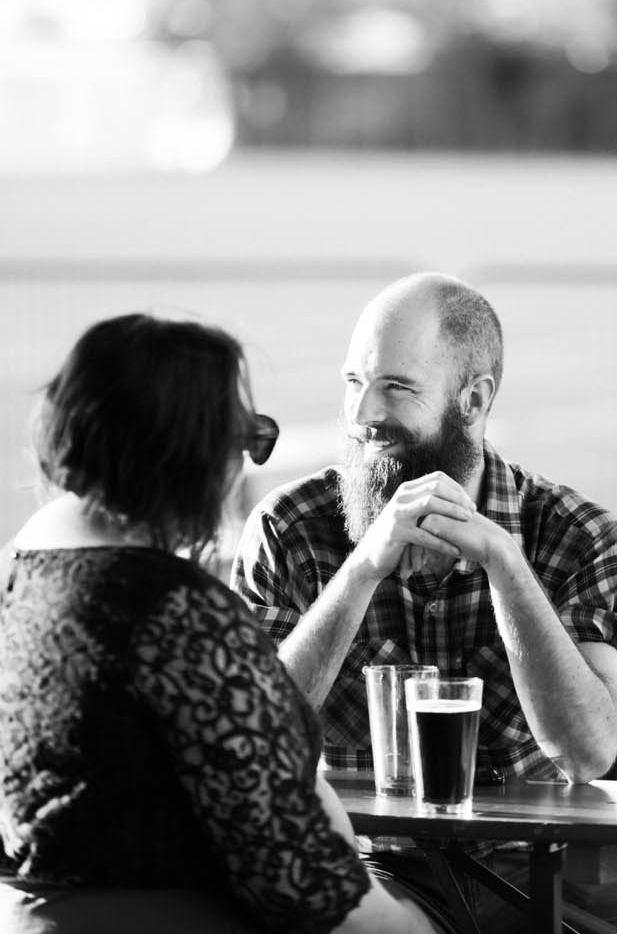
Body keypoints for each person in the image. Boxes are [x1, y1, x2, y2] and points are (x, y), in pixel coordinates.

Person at [231, 274, 617, 934]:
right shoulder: (289, 527)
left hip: (535, 872)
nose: (361, 416)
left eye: (395, 387)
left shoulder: (577, 533)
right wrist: (361, 569)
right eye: (353, 382)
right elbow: (250, 735)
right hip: (358, 867)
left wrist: (506, 564)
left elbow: (587, 751)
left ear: (473, 399)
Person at [0, 314, 435, 934]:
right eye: (241, 442)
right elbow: (297, 881)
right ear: (186, 455)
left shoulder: (26, 575)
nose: (242, 468)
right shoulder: (171, 609)